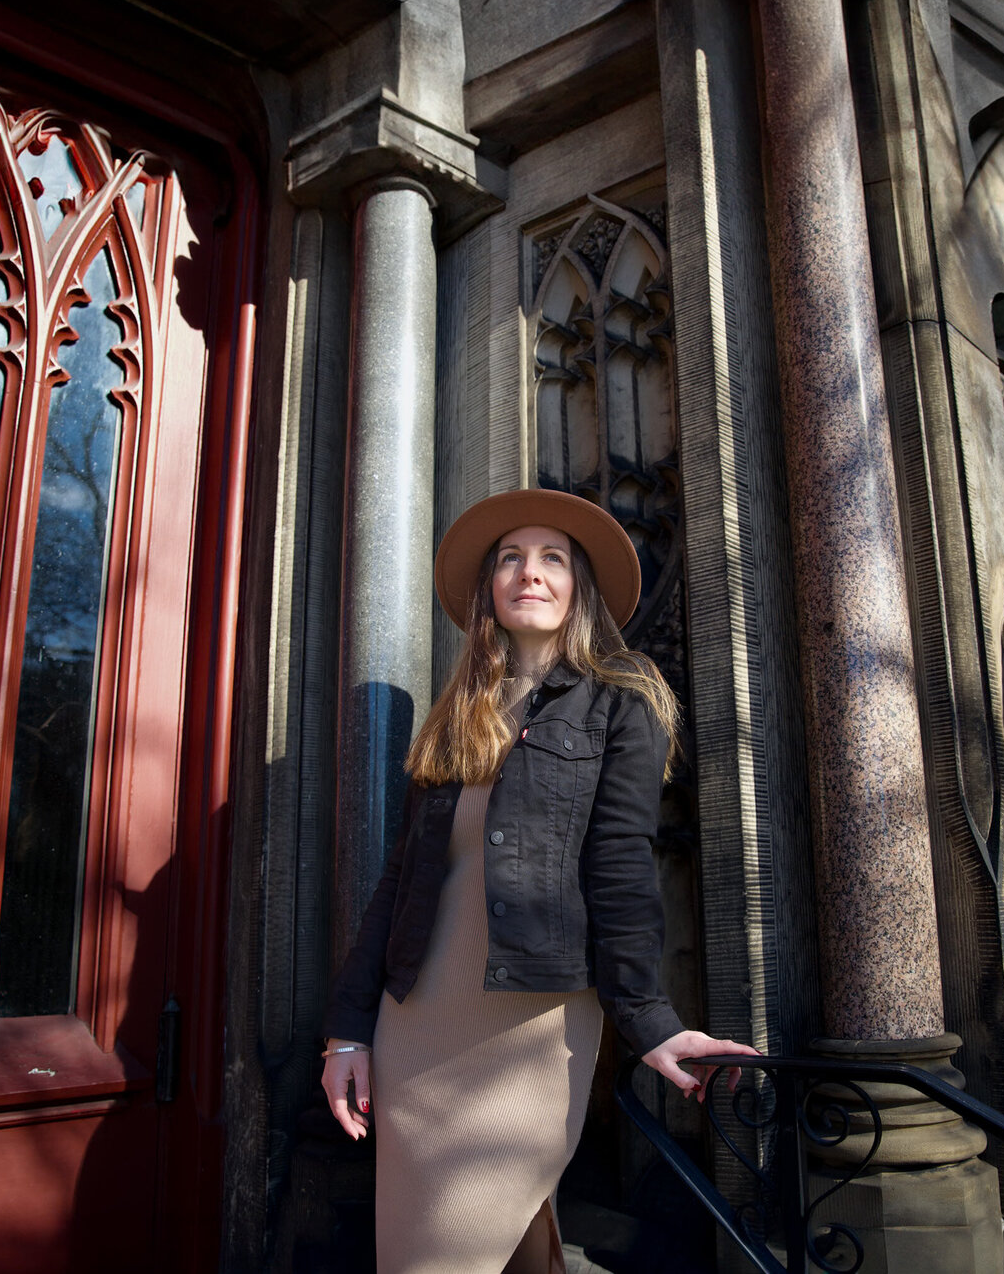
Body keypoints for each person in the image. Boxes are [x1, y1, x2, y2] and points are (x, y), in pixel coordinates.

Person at [321, 489, 756, 1274]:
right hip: (416, 1024)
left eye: (553, 557)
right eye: (512, 558)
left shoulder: (622, 703)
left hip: (533, 1028)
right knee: (509, 1249)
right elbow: (397, 883)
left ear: (578, 585)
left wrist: (651, 1021)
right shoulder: (457, 716)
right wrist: (347, 1029)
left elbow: (621, 869)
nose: (532, 572)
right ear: (490, 585)